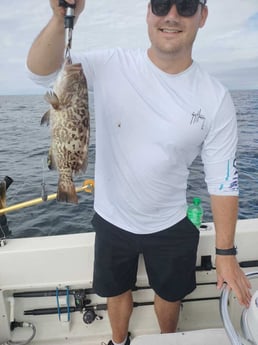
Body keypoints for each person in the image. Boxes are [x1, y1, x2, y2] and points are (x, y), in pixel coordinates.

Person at [26, 1, 252, 344]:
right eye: (161, 4)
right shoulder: (110, 65)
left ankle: (166, 339)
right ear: (149, 12)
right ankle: (119, 341)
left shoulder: (215, 98)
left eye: (187, 5)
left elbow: (222, 179)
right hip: (111, 217)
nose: (171, 15)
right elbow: (39, 72)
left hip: (172, 221)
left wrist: (226, 254)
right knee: (115, 292)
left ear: (202, 16)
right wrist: (61, 19)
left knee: (171, 295)